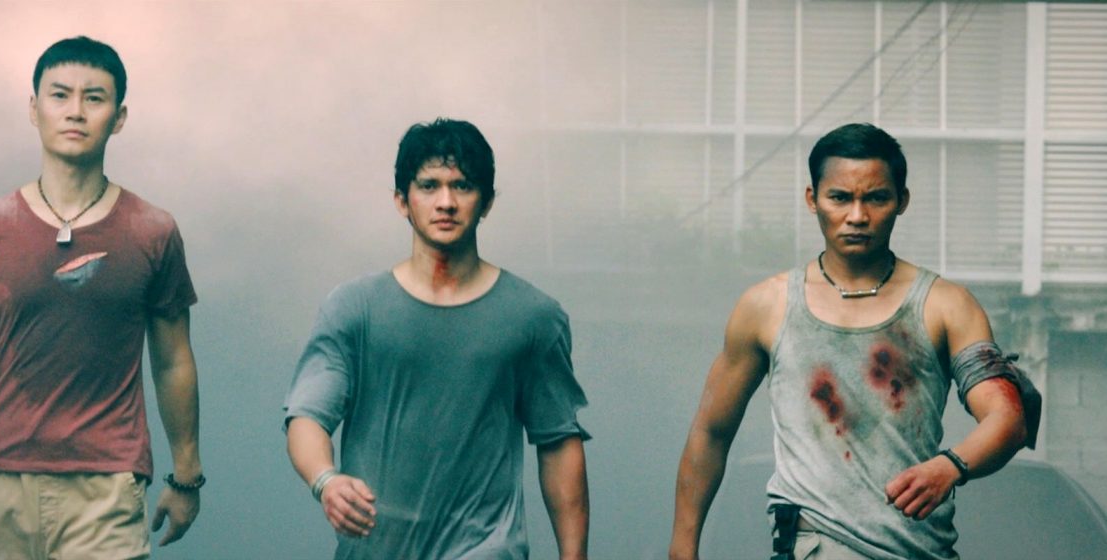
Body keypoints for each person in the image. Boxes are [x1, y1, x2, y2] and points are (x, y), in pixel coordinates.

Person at [668, 123, 1040, 560]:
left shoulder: (945, 305)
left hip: (920, 549)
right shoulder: (767, 306)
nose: (858, 216)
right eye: (840, 198)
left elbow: (1007, 419)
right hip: (814, 546)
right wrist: (682, 548)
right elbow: (711, 431)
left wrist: (949, 466)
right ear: (813, 199)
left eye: (876, 198)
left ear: (902, 200)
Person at [0, 36, 203, 559]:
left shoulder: (152, 230)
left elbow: (173, 359)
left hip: (106, 486)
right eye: (60, 95)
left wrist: (187, 475)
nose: (75, 111)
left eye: (94, 97)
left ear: (119, 117)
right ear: (34, 108)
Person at [283, 118, 591, 559]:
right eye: (429, 186)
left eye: (462, 186)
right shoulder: (354, 309)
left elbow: (558, 442)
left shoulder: (533, 316)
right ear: (401, 201)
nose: (446, 202)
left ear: (486, 202)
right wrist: (325, 480)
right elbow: (307, 415)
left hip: (487, 549)